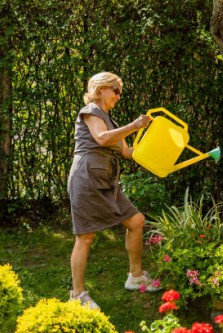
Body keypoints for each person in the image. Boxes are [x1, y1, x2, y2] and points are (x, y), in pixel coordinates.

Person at [67, 72, 159, 310]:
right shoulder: (90, 111)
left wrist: (157, 147)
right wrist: (134, 125)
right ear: (100, 90)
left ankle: (135, 276)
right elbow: (101, 138)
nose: (119, 95)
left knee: (137, 221)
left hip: (106, 178)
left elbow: (127, 152)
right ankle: (77, 295)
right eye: (115, 90)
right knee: (85, 236)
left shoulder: (109, 120)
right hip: (86, 177)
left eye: (120, 91)